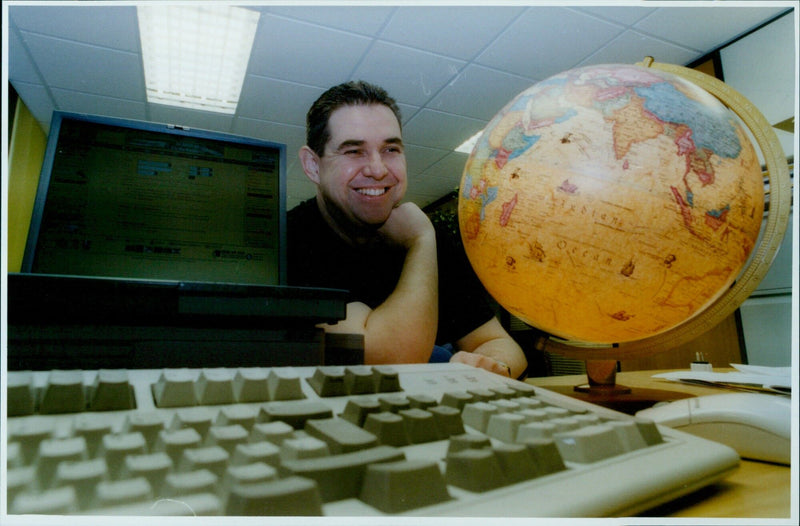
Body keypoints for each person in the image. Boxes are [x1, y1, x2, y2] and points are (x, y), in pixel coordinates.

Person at [287, 81, 527, 379]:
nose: (377, 169)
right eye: (353, 151)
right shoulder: (288, 242)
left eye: (390, 149)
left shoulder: (432, 239)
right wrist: (420, 242)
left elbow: (497, 342)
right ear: (312, 166)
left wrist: (494, 367)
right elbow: (388, 360)